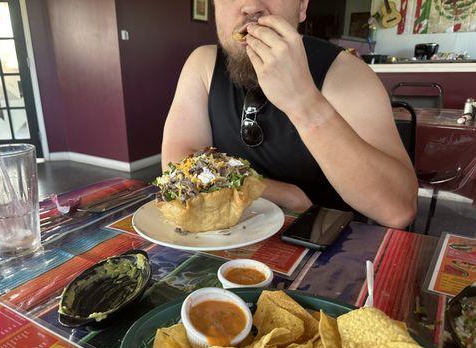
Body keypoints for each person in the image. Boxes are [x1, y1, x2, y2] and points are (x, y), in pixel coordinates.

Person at [161, 0, 418, 229]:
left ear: (302, 7)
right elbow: (177, 165)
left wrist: (303, 102)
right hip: (222, 241)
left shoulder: (349, 74)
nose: (251, 6)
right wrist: (283, 194)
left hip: (325, 253)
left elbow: (398, 210)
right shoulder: (203, 64)